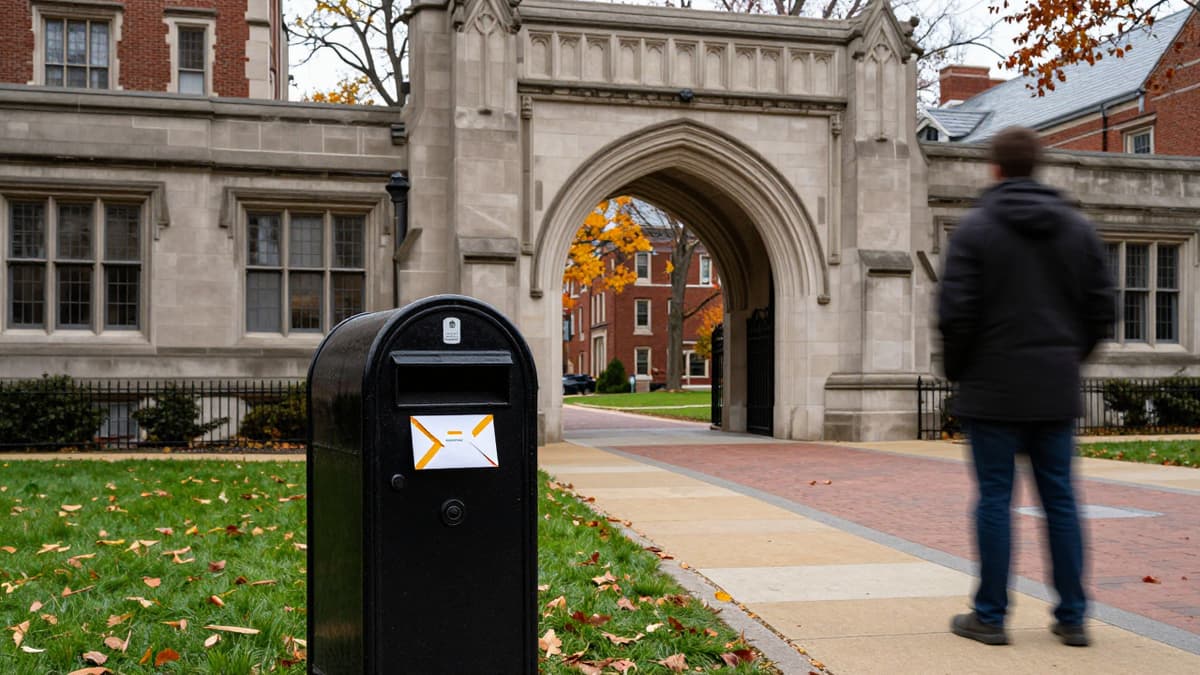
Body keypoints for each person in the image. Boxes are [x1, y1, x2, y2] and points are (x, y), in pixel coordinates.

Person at [937, 126, 1116, 647]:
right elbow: (1102, 309)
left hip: (991, 388)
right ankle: (1073, 616)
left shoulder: (975, 229)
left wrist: (961, 371)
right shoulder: (1077, 229)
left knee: (995, 498)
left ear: (994, 169)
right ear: (1038, 167)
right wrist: (1067, 358)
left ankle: (990, 617)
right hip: (1053, 386)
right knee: (1060, 499)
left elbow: (955, 315)